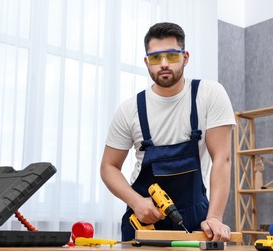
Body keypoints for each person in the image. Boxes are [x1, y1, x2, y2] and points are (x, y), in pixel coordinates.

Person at [100, 22, 236, 241]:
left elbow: (222, 159)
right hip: (143, 220)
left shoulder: (210, 94)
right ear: (146, 62)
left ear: (185, 57)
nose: (163, 64)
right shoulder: (130, 109)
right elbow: (108, 166)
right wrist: (136, 202)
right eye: (155, 58)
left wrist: (215, 218)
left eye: (171, 56)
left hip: (196, 219)